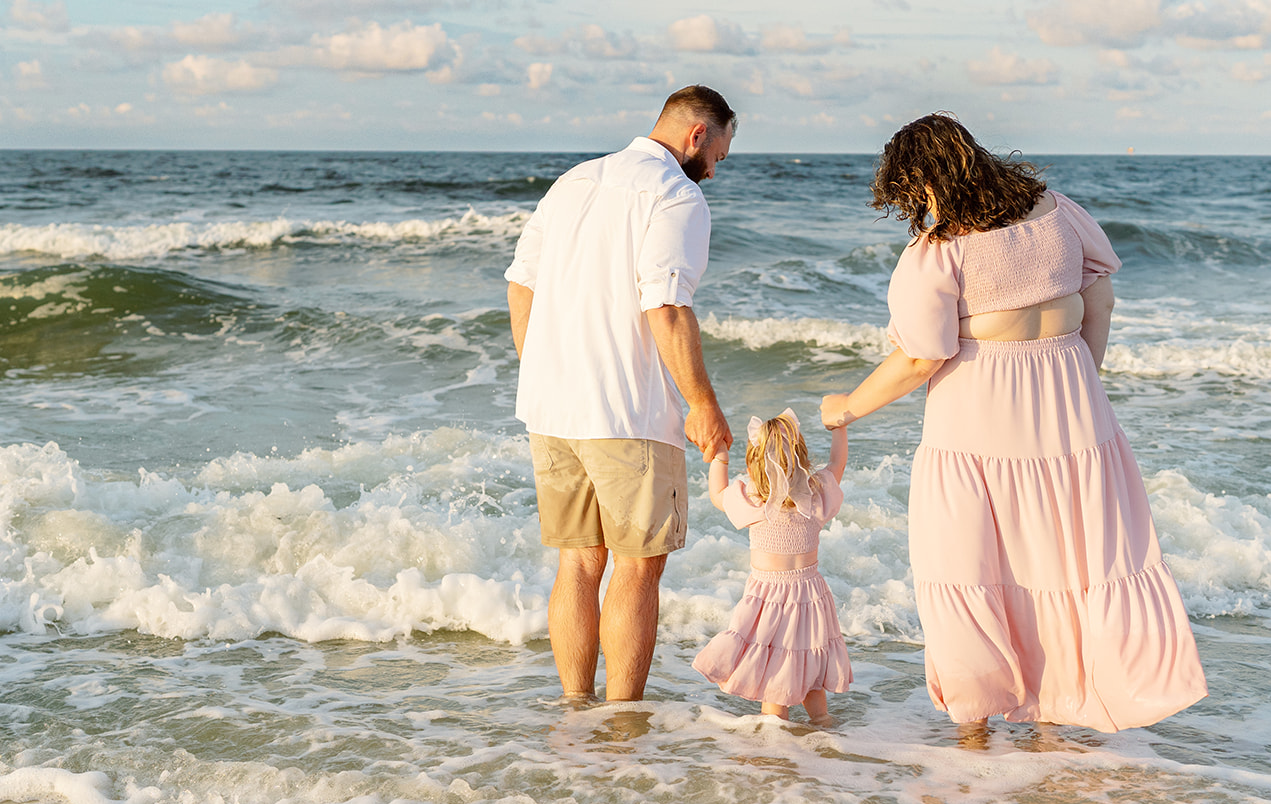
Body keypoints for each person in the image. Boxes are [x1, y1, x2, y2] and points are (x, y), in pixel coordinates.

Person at [821, 114, 1207, 733]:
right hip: (1072, 406)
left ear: (924, 180)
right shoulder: (1059, 211)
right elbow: (1098, 299)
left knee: (965, 560)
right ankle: (1060, 709)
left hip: (977, 416)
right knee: (1067, 559)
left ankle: (975, 724)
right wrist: (1084, 375)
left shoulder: (940, 250)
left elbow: (921, 356)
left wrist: (846, 407)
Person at [505, 85, 737, 704]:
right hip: (628, 410)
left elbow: (521, 287)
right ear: (697, 135)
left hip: (553, 407)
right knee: (637, 567)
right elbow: (664, 304)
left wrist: (543, 368)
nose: (717, 166)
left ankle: (575, 713)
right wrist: (702, 403)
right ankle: (621, 729)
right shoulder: (675, 194)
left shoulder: (574, 181)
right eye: (721, 150)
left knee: (578, 563)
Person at [694, 409, 851, 726]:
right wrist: (839, 428)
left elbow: (716, 494)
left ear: (753, 461)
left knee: (775, 681)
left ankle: (775, 756)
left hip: (769, 600)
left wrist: (721, 455)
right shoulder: (816, 493)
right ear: (801, 456)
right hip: (811, 596)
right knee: (809, 667)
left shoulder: (753, 497)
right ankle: (824, 732)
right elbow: (837, 465)